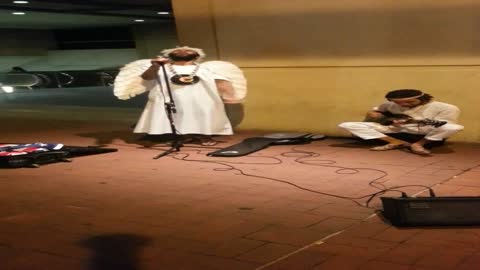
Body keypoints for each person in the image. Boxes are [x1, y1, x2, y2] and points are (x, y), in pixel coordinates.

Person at [130, 46, 237, 145]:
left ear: (197, 56)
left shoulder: (206, 69)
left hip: (201, 99)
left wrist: (230, 95)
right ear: (169, 56)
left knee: (203, 115)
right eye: (177, 50)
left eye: (188, 50)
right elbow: (147, 77)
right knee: (177, 116)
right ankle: (182, 136)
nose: (183, 50)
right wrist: (155, 65)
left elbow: (222, 82)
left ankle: (204, 135)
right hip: (171, 99)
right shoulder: (162, 68)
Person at [338, 89, 464, 155]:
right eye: (399, 103)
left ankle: (419, 144)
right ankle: (395, 142)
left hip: (424, 131)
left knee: (453, 127)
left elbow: (444, 124)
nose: (404, 105)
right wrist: (375, 114)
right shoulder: (390, 105)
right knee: (347, 125)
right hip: (396, 130)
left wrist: (413, 122)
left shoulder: (447, 108)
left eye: (409, 102)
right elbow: (377, 111)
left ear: (422, 98)